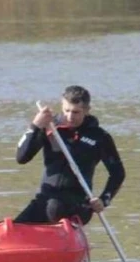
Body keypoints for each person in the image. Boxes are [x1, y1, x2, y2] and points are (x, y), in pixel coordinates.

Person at [14, 85, 125, 226]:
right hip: (45, 198)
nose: (70, 117)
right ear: (62, 106)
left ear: (87, 110)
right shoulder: (50, 126)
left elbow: (118, 173)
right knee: (16, 227)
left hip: (78, 204)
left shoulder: (99, 137)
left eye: (76, 112)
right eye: (66, 110)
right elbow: (21, 157)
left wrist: (104, 200)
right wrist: (35, 125)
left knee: (55, 207)